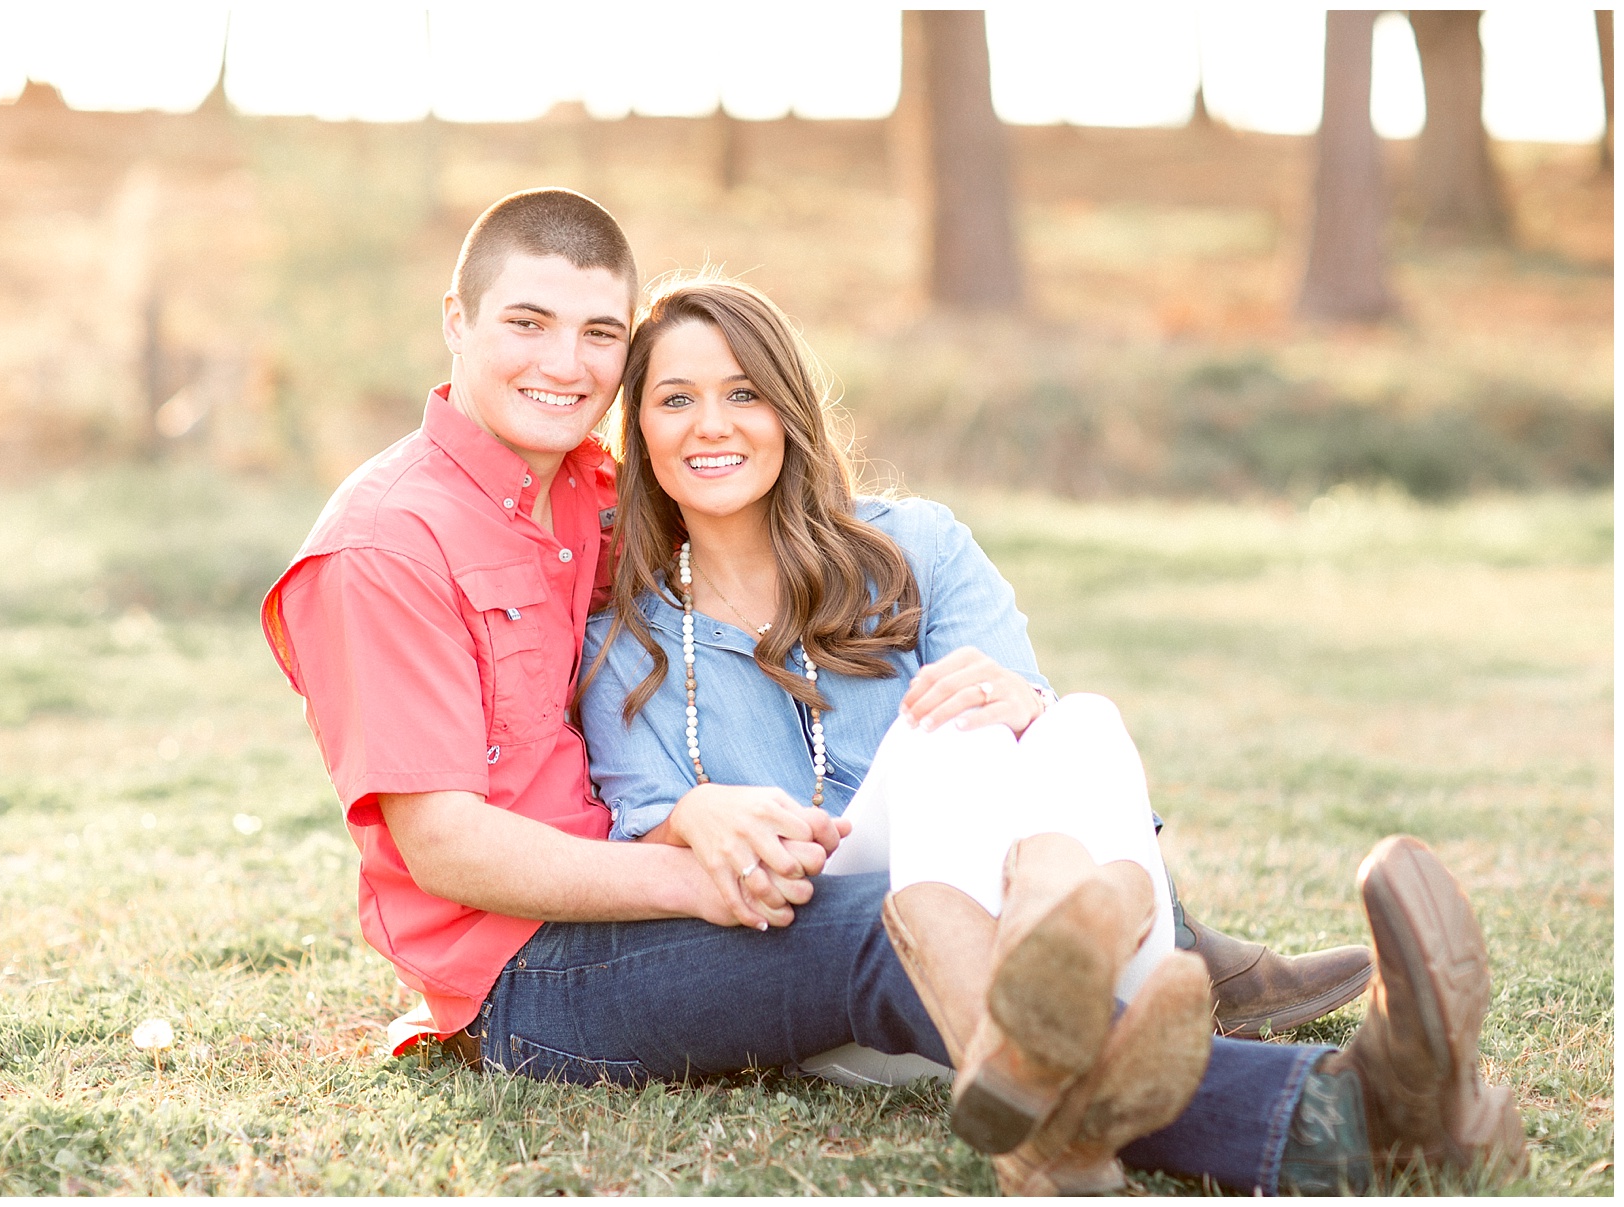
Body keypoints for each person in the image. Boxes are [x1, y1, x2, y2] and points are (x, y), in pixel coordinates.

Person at [259, 188, 1517, 1193]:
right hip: (534, 975)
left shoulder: (594, 490)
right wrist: (694, 869)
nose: (567, 362)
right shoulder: (384, 546)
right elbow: (445, 843)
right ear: (457, 322)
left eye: (599, 333)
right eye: (527, 323)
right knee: (909, 920)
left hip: (656, 889)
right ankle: (1342, 1117)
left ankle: (1176, 983)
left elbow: (736, 485)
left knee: (1004, 782)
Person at [573, 273, 1526, 1192]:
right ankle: (1063, 991)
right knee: (949, 726)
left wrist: (1021, 702)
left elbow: (1035, 746)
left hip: (1003, 975)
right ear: (637, 430)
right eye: (676, 398)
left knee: (1073, 718)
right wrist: (695, 815)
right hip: (864, 982)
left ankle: (1050, 1006)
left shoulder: (917, 546)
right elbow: (643, 841)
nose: (712, 423)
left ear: (788, 408)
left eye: (743, 391)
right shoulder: (625, 640)